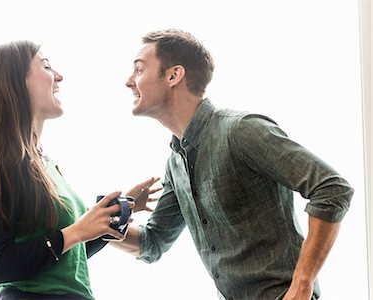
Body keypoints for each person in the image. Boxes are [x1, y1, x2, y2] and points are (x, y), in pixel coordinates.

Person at [113, 29, 354, 300]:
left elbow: (332, 189)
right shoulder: (176, 163)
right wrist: (106, 220)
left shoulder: (241, 131)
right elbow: (153, 242)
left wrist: (302, 285)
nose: (128, 82)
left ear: (173, 75)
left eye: (139, 70)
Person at [0, 40, 156, 300]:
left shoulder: (43, 164)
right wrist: (76, 231)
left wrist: (117, 212)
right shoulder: (7, 164)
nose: (58, 76)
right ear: (15, 82)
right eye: (47, 66)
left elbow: (66, 255)